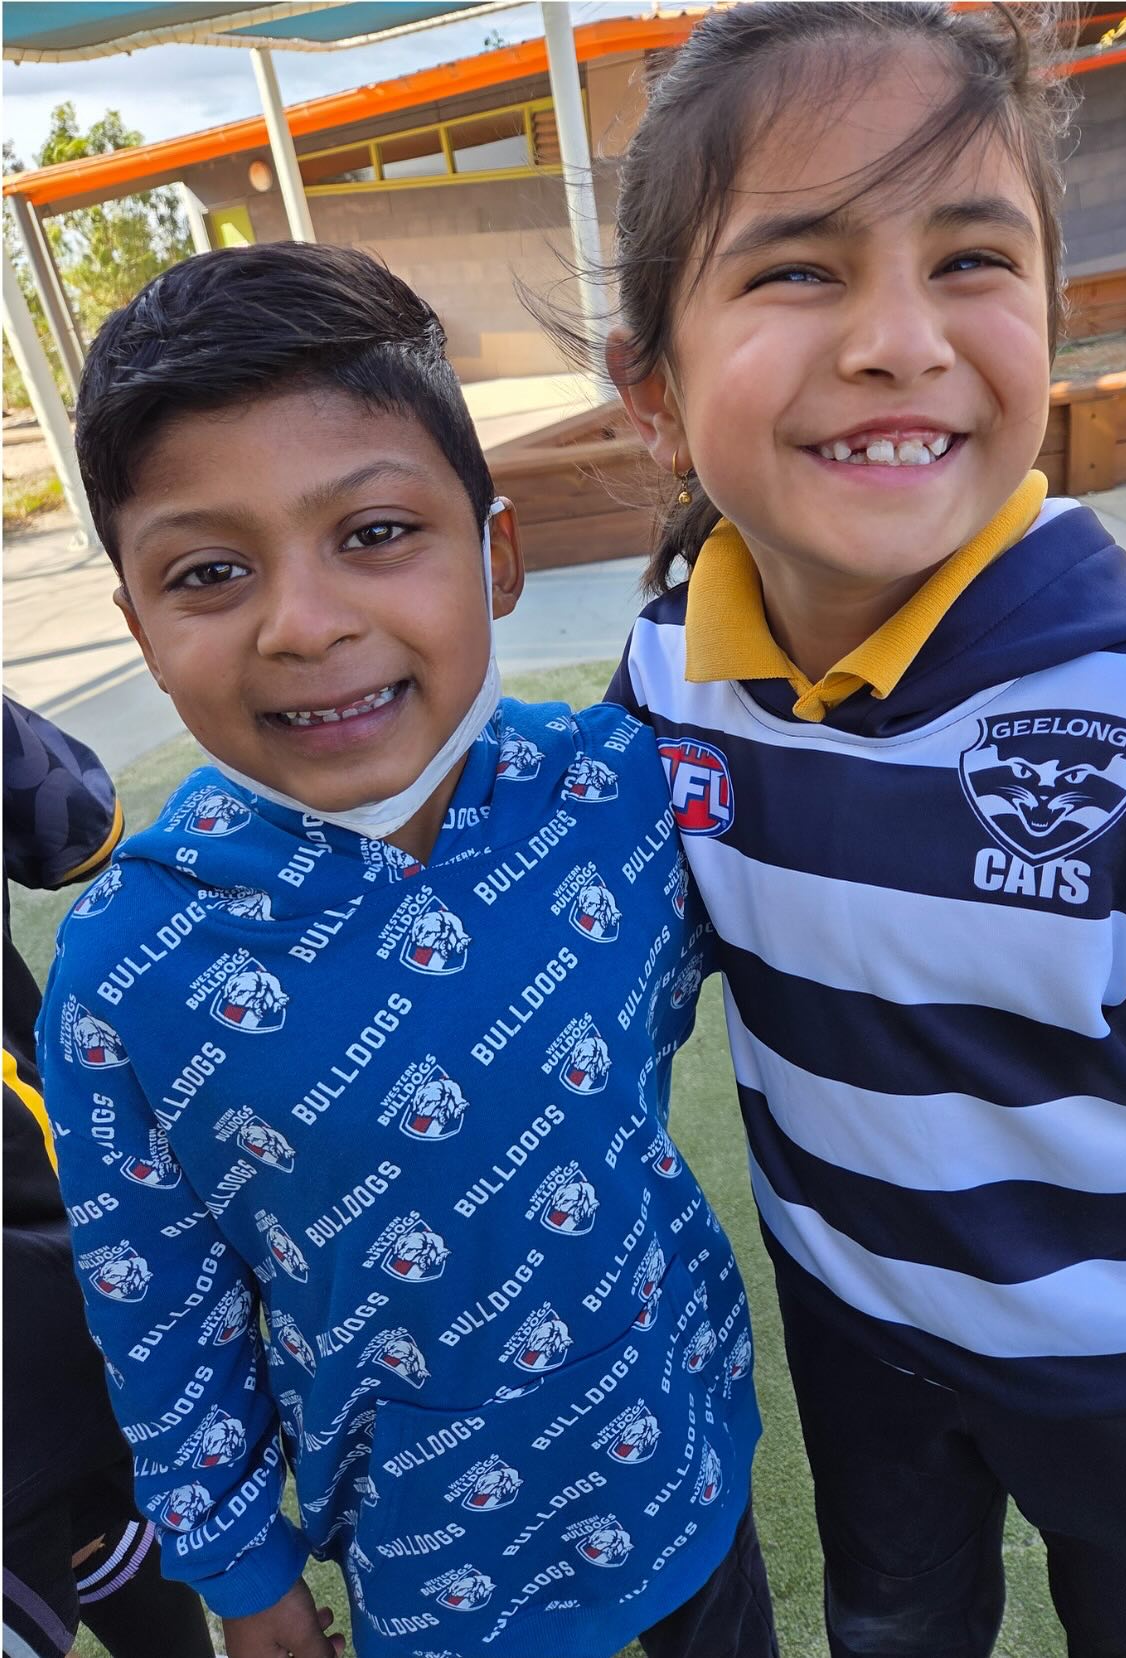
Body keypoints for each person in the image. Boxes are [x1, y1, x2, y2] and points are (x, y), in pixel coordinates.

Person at [592, 5, 1126, 1656]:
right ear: (654, 393)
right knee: (891, 1624)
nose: (899, 338)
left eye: (969, 258)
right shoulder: (664, 682)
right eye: (798, 267)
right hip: (854, 1318)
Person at [35, 243, 777, 1658]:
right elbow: (162, 1320)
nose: (304, 623)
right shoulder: (128, 972)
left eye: (374, 531)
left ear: (497, 556)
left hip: (681, 1454)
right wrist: (244, 1580)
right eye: (210, 570)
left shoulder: (624, 791)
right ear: (140, 627)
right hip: (433, 1562)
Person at [4, 697, 216, 1658]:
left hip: (48, 1266)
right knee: (102, 1499)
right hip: (50, 1253)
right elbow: (81, 830)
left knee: (102, 1516)